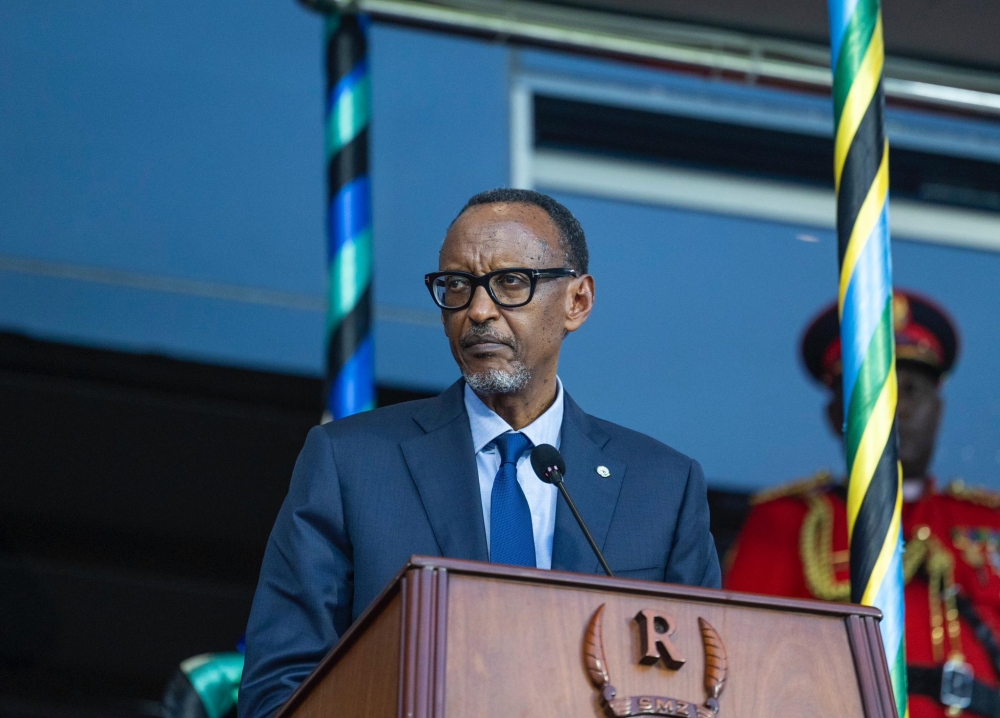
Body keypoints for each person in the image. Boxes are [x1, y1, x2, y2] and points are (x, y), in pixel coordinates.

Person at [238, 189, 721, 718]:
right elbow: (279, 690)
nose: (478, 311)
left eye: (510, 283)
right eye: (457, 285)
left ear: (577, 302)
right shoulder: (350, 463)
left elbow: (702, 689)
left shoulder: (664, 487)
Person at [726, 290, 1000, 718]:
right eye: (877, 389)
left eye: (911, 389)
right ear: (836, 415)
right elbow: (743, 666)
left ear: (939, 409)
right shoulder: (787, 521)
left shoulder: (987, 521)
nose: (897, 407)